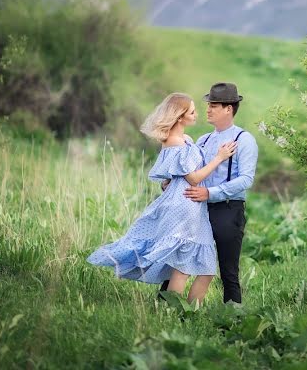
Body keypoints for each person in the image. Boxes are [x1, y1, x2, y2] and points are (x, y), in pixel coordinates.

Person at [86, 93, 237, 304]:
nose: (196, 114)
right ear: (179, 117)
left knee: (205, 267)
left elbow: (171, 175)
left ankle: (186, 312)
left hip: (190, 203)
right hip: (187, 205)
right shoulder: (176, 143)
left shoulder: (185, 140)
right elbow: (193, 178)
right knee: (184, 267)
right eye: (192, 112)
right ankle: (174, 311)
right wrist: (219, 158)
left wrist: (169, 182)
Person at [161, 82, 259, 303]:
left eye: (214, 104)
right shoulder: (203, 140)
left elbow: (246, 179)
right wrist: (170, 183)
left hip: (228, 209)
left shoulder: (244, 140)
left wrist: (211, 193)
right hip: (197, 209)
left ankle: (231, 317)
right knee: (179, 257)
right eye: (208, 104)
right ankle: (166, 306)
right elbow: (191, 172)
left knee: (228, 269)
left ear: (229, 108)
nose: (208, 108)